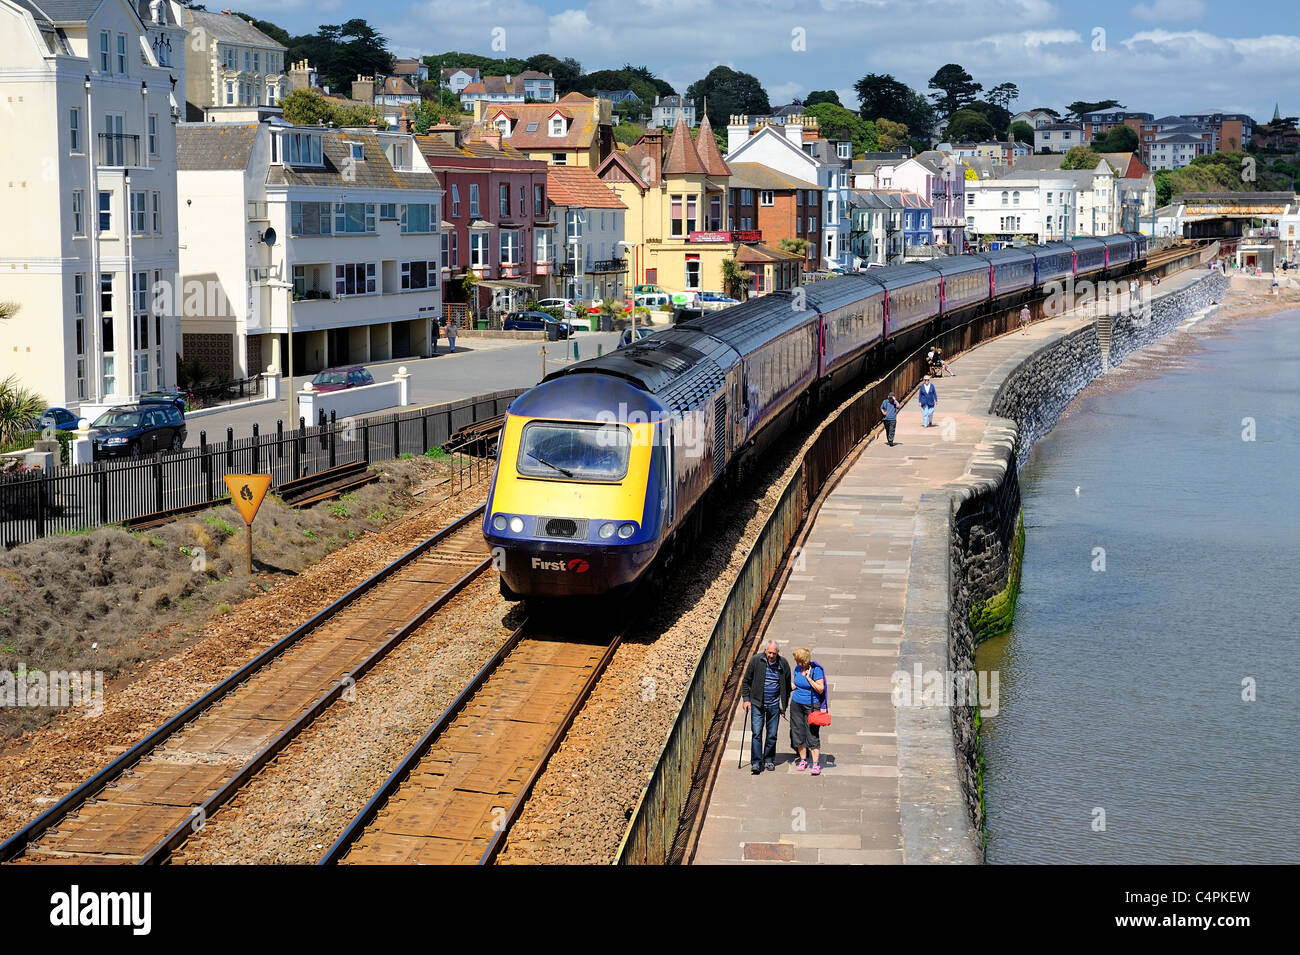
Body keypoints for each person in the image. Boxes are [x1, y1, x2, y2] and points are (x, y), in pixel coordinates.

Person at [741, 640, 790, 774]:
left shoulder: (783, 663)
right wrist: (746, 699)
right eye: (769, 652)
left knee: (772, 734)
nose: (771, 656)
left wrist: (783, 704)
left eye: (774, 653)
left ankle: (769, 760)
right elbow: (746, 681)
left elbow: (786, 685)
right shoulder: (756, 660)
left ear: (777, 653)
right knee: (756, 733)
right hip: (757, 704)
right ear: (765, 651)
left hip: (774, 705)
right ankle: (756, 762)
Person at [789, 648, 826, 775]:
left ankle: (815, 764)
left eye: (796, 659)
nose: (795, 661)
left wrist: (810, 679)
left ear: (802, 659)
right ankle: (803, 760)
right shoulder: (797, 669)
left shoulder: (816, 670)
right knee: (798, 731)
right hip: (796, 704)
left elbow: (820, 689)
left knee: (812, 733)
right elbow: (796, 684)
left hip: (811, 705)